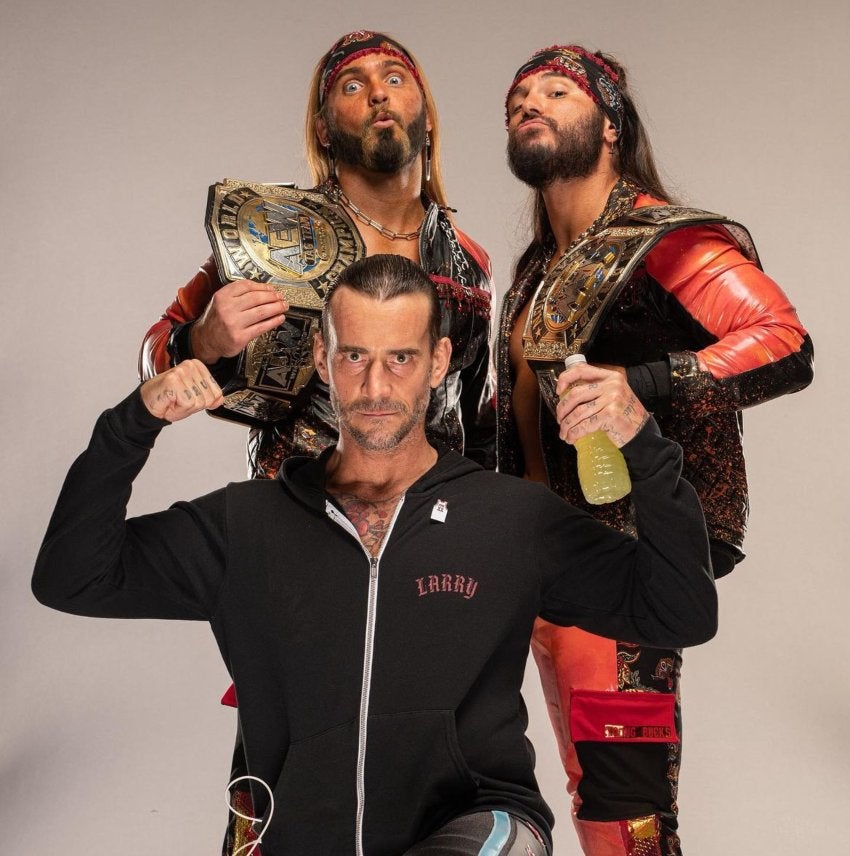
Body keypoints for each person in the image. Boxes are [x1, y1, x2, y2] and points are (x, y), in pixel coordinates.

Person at [34, 253, 718, 856]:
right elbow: (73, 578)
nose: (376, 388)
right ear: (323, 360)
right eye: (355, 356)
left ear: (439, 362)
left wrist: (644, 446)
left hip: (481, 822)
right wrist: (131, 424)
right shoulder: (245, 526)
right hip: (295, 835)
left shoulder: (512, 519)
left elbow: (680, 612)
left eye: (401, 359)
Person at [138, 31, 496, 851]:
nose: (378, 93)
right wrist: (205, 338)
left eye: (395, 77)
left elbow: (477, 418)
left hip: (427, 535)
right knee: (284, 760)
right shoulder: (275, 232)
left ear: (425, 112)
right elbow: (157, 354)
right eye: (352, 85)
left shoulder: (467, 261)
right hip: (300, 522)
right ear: (324, 125)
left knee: (423, 756)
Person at [500, 45, 813, 855]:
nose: (529, 103)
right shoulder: (536, 271)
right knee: (572, 797)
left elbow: (784, 341)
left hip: (626, 558)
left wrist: (643, 383)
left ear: (610, 125)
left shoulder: (660, 241)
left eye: (557, 92)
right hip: (536, 566)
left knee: (624, 813)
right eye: (519, 97)